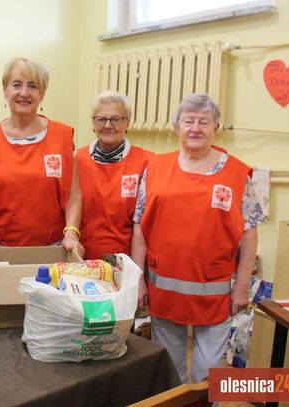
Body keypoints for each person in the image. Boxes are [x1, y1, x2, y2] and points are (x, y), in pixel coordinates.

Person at [131, 93, 264, 384]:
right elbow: (139, 225)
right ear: (177, 127)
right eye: (188, 120)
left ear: (216, 127)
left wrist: (241, 287)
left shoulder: (238, 174)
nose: (195, 128)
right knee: (170, 370)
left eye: (204, 121)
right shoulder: (154, 167)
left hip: (215, 295)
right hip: (164, 291)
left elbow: (249, 233)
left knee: (209, 374)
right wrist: (138, 279)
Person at [0, 57, 83, 287]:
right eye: (16, 84)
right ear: (4, 89)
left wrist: (71, 233)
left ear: (42, 93)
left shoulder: (62, 136)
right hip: (1, 253)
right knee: (4, 319)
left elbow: (73, 196)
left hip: (51, 252)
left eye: (33, 86)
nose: (24, 92)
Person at [76, 91, 152, 260]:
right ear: (93, 123)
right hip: (80, 259)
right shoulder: (76, 160)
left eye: (116, 119)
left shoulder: (147, 162)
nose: (108, 125)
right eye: (101, 119)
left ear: (127, 123)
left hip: (126, 262)